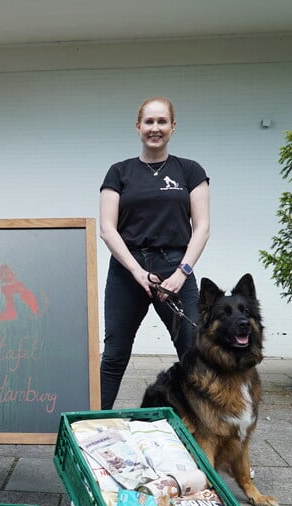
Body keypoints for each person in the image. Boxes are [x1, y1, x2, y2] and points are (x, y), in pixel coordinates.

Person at [98, 97, 210, 410]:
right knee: (114, 353)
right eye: (149, 122)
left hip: (176, 268)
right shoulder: (119, 172)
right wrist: (136, 271)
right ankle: (88, 429)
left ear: (173, 126)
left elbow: (202, 228)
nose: (155, 128)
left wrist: (181, 274)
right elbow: (108, 229)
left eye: (162, 121)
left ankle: (202, 432)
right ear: (138, 127)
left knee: (194, 353)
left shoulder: (190, 170)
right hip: (127, 269)